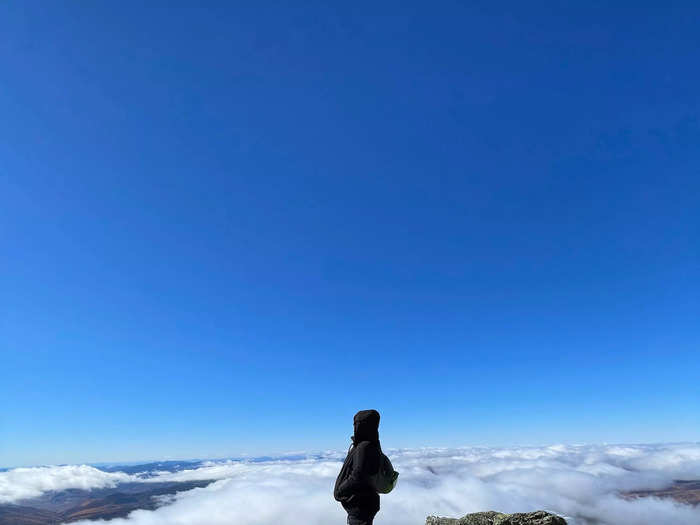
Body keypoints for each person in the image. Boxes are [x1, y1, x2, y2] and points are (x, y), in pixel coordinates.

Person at [334, 409, 382, 525]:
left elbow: (358, 475)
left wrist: (340, 491)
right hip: (365, 505)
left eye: (357, 424)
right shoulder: (373, 445)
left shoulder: (364, 447)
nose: (355, 427)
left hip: (360, 507)